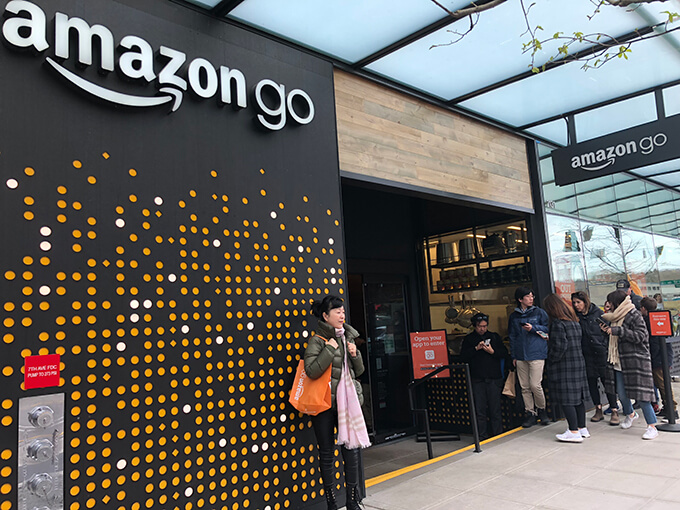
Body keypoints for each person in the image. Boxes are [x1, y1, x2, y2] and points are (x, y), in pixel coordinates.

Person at [305, 296, 370, 510]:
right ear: (325, 316)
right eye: (337, 312)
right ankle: (331, 502)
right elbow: (311, 371)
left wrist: (355, 354)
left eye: (343, 312)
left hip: (346, 405)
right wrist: (329, 349)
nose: (342, 315)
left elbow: (359, 371)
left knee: (351, 451)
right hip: (324, 405)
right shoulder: (317, 341)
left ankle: (352, 500)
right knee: (326, 453)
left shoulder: (348, 337)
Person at [600, 290, 658, 440]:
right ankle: (630, 414)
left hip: (636, 361)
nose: (609, 306)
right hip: (618, 360)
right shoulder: (614, 317)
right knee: (621, 393)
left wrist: (618, 331)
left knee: (642, 395)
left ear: (617, 303)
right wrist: (607, 331)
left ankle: (652, 426)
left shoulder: (634, 314)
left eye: (610, 303)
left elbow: (641, 336)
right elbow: (614, 339)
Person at [543, 294, 589, 442]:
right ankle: (582, 428)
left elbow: (559, 347)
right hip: (578, 363)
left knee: (567, 399)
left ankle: (573, 431)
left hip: (564, 366)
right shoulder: (574, 322)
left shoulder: (558, 324)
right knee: (578, 399)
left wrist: (551, 359)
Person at [571, 291, 620, 425]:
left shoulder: (598, 313)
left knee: (607, 382)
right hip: (586, 353)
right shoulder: (576, 317)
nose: (576, 305)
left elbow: (608, 332)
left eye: (578, 302)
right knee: (591, 383)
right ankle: (598, 409)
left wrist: (603, 344)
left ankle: (614, 409)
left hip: (601, 352)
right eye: (574, 303)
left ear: (585, 302)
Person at [460, 312, 509, 440]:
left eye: (485, 326)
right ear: (474, 326)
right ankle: (481, 436)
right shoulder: (469, 339)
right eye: (480, 326)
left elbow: (504, 353)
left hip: (493, 377)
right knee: (479, 410)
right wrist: (476, 349)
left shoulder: (494, 337)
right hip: (477, 378)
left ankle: (498, 434)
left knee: (495, 409)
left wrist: (492, 351)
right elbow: (463, 356)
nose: (482, 329)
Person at [508, 287, 551, 427]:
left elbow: (548, 328)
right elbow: (512, 336)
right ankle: (530, 413)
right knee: (524, 387)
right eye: (528, 296)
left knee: (535, 385)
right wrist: (513, 355)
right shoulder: (514, 316)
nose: (531, 299)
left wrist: (533, 328)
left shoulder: (539, 312)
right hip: (520, 354)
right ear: (520, 299)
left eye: (532, 296)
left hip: (537, 353)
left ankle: (542, 410)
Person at [640, 297, 677, 420]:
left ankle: (672, 409)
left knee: (663, 384)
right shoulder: (659, 317)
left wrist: (651, 357)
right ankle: (667, 407)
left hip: (658, 359)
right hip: (663, 356)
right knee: (661, 384)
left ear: (643, 308)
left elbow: (654, 342)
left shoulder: (649, 321)